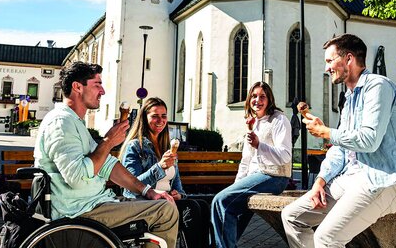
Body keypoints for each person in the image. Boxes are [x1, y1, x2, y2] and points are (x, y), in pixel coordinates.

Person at [281, 34, 396, 248]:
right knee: (291, 216)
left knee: (326, 238)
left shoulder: (378, 86)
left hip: (384, 179)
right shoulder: (351, 97)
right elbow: (340, 150)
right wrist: (320, 181)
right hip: (351, 177)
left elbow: (369, 140)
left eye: (330, 61)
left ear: (348, 59)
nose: (327, 68)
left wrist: (326, 132)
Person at [34, 62, 178, 247]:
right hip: (79, 211)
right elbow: (77, 177)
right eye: (97, 84)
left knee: (163, 202)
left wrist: (147, 191)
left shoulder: (74, 122)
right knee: (165, 211)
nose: (102, 91)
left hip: (93, 204)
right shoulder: (61, 123)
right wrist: (108, 141)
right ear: (77, 87)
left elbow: (107, 165)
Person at [121, 97, 211, 247]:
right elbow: (130, 186)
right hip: (146, 203)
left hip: (168, 201)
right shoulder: (135, 146)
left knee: (202, 205)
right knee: (193, 208)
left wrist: (178, 194)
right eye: (154, 116)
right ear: (144, 118)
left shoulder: (167, 147)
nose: (160, 120)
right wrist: (160, 167)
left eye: (163, 116)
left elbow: (178, 187)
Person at [211, 81, 292, 248]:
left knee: (220, 201)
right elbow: (246, 160)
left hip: (274, 176)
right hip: (256, 177)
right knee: (231, 205)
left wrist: (260, 146)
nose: (257, 100)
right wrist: (236, 186)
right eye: (254, 96)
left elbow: (285, 156)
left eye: (262, 96)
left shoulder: (279, 120)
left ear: (269, 99)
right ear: (249, 99)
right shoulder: (253, 122)